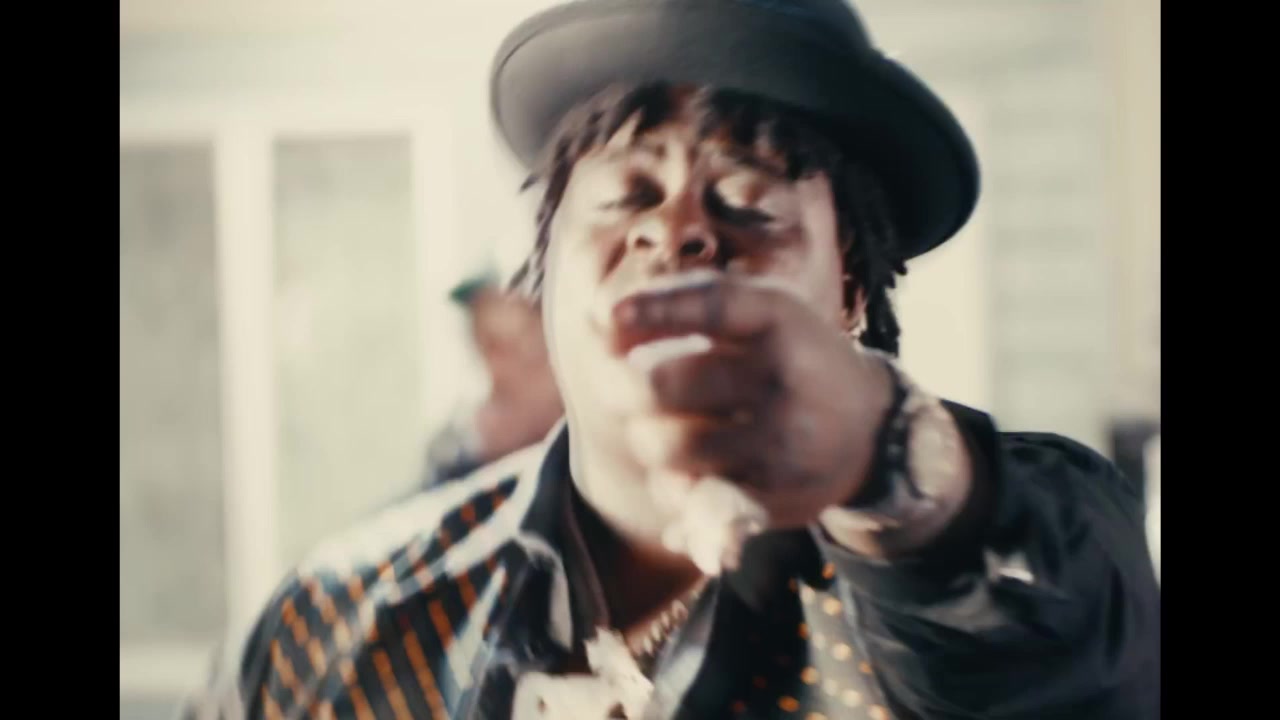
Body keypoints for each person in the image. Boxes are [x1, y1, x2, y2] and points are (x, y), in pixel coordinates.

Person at [180, 1, 1160, 718]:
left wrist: (891, 459)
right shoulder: (337, 623)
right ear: (546, 269)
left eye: (748, 199)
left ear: (850, 290)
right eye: (625, 195)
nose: (678, 230)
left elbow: (1064, 634)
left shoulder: (1003, 585)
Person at [417, 273, 563, 490]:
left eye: (507, 347)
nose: (496, 365)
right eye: (487, 343)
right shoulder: (455, 448)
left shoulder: (586, 439)